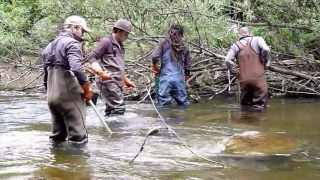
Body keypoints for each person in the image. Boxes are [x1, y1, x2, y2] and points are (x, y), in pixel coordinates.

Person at [42, 15, 93, 145]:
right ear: (75, 28)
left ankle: (56, 162)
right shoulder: (72, 43)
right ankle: (76, 164)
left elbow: (45, 76)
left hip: (51, 97)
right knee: (79, 137)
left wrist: (49, 93)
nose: (83, 35)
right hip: (68, 96)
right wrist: (87, 88)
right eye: (82, 31)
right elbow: (76, 68)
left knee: (57, 137)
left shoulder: (49, 45)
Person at [86, 19, 135, 116]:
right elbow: (91, 57)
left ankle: (109, 128)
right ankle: (118, 130)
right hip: (108, 81)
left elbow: (118, 65)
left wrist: (125, 80)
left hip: (117, 82)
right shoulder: (106, 42)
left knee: (112, 109)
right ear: (119, 31)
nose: (127, 37)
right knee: (119, 108)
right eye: (126, 34)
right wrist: (101, 72)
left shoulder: (120, 45)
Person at [225, 27, 271, 111]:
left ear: (239, 35)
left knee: (245, 106)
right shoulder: (258, 39)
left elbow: (227, 60)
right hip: (258, 78)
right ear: (250, 33)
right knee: (260, 107)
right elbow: (266, 49)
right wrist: (266, 62)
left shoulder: (235, 45)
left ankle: (245, 121)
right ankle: (258, 121)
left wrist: (235, 72)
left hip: (244, 80)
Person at [151, 24, 191, 107]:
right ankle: (182, 120)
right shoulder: (184, 47)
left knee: (164, 105)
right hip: (179, 81)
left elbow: (155, 56)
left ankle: (165, 119)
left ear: (169, 33)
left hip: (165, 80)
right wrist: (186, 77)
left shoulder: (164, 43)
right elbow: (188, 67)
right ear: (182, 35)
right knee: (183, 104)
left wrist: (155, 67)